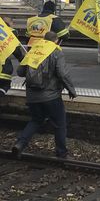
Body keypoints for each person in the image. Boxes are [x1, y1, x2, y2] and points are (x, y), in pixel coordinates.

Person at [12, 31, 77, 159]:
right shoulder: (56, 52)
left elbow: (20, 72)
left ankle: (20, 143)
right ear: (56, 41)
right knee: (60, 124)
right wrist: (71, 90)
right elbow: (62, 74)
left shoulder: (34, 50)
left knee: (36, 120)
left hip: (31, 96)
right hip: (51, 96)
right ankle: (61, 153)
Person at [0, 18, 26, 97]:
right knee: (5, 84)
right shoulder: (10, 32)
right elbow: (16, 50)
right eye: (12, 22)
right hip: (2, 67)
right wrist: (23, 60)